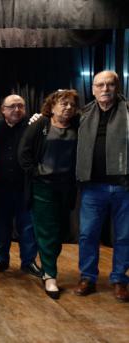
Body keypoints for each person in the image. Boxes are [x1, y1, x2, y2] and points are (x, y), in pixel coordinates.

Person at [18, 89, 79, 299]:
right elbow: (23, 153)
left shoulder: (78, 125)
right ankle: (50, 275)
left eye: (71, 104)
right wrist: (36, 172)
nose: (68, 107)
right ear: (52, 106)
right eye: (63, 103)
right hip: (43, 186)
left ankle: (48, 267)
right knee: (47, 231)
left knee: (60, 230)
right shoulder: (40, 124)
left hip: (66, 188)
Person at [74, 71, 129, 302]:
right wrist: (39, 117)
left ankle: (119, 279)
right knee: (87, 235)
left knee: (124, 236)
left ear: (117, 87)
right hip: (92, 187)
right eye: (100, 85)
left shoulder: (128, 112)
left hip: (124, 186)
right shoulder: (83, 114)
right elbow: (55, 119)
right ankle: (88, 276)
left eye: (109, 85)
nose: (105, 89)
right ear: (93, 88)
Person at [0, 95, 42, 277]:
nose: (17, 110)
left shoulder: (33, 127)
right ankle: (2, 259)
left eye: (20, 106)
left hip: (25, 187)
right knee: (1, 226)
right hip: (0, 187)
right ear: (3, 109)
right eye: (12, 106)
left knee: (27, 226)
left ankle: (28, 262)